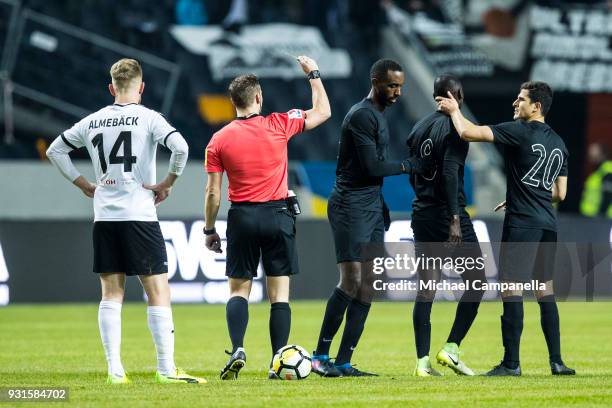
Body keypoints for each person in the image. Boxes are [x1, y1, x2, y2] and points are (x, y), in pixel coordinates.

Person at [46, 58, 206, 384]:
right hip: (140, 216)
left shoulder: (91, 122)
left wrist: (84, 184)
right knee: (158, 292)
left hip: (105, 217)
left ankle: (115, 371)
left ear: (111, 87)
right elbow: (181, 147)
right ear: (142, 87)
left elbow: (54, 151)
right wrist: (168, 183)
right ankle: (165, 369)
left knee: (110, 294)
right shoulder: (148, 118)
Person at [203, 56, 331, 380]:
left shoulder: (218, 140)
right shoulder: (279, 123)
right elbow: (323, 112)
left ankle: (237, 348)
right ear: (258, 98)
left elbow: (213, 194)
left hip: (242, 216)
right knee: (279, 295)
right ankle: (278, 361)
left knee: (238, 291)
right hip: (278, 215)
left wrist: (208, 229)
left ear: (233, 102)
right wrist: (313, 73)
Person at [437, 81, 575, 376]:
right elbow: (560, 193)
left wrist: (454, 110)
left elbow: (467, 132)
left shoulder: (520, 131)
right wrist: (523, 193)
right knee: (543, 290)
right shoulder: (560, 143)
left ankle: (511, 363)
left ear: (536, 107)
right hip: (547, 224)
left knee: (511, 289)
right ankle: (557, 362)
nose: (515, 103)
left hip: (523, 222)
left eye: (521, 99)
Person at [311, 59, 432, 377]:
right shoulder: (362, 115)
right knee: (351, 281)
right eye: (392, 85)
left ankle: (344, 361)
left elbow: (373, 172)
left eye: (401, 86)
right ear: (375, 80)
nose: (397, 92)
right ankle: (320, 356)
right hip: (349, 205)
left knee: (369, 285)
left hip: (370, 206)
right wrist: (410, 165)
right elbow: (372, 168)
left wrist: (380, 203)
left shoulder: (378, 116)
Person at [406, 75, 486, 377]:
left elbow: (413, 171)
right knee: (476, 282)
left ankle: (422, 363)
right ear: (458, 94)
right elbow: (451, 173)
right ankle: (451, 348)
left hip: (422, 213)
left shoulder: (418, 127)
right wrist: (454, 219)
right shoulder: (455, 127)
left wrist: (423, 200)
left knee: (426, 289)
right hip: (447, 215)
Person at [580, 143, 612, 218]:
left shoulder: (608, 170)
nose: (590, 153)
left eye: (593, 151)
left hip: (602, 218)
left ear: (602, 153)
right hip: (592, 217)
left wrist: (601, 215)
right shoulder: (598, 171)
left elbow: (607, 195)